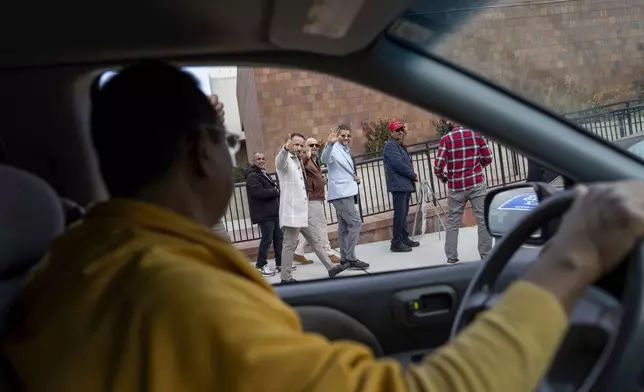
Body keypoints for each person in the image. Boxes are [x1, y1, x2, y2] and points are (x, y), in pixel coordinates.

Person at [7, 61, 644, 392]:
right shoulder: (170, 295)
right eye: (227, 142)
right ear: (201, 151)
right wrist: (575, 252)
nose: (232, 154)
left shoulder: (88, 262)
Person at [275, 133, 346, 283]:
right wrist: (284, 149)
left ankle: (331, 268)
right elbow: (279, 163)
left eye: (302, 145)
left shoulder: (298, 161)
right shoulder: (285, 159)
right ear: (290, 144)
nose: (299, 147)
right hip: (293, 211)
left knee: (315, 241)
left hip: (303, 210)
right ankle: (285, 278)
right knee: (289, 244)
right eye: (296, 144)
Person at [434, 124, 494, 264]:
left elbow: (438, 166)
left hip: (456, 186)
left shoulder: (446, 139)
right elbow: (488, 157)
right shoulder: (477, 134)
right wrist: (479, 166)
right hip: (476, 183)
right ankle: (486, 254)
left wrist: (443, 177)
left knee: (453, 221)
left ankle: (451, 255)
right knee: (483, 219)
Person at [321, 124, 370, 270]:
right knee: (355, 223)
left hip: (347, 191)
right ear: (337, 136)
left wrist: (354, 178)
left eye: (348, 135)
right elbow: (324, 159)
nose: (346, 138)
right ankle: (351, 257)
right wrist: (329, 143)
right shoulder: (333, 148)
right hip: (341, 194)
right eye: (343, 135)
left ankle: (344, 259)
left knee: (343, 228)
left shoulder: (344, 150)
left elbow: (342, 170)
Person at [294, 137, 341, 264]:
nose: (314, 147)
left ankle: (298, 252)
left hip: (317, 197)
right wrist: (306, 156)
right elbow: (300, 166)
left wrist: (321, 180)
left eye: (316, 145)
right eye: (311, 145)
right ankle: (328, 253)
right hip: (312, 198)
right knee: (321, 226)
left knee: (310, 228)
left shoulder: (315, 161)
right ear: (305, 147)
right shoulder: (304, 159)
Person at [383, 120, 421, 252]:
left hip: (404, 184)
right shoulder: (391, 146)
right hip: (398, 185)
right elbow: (398, 164)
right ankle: (396, 242)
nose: (400, 132)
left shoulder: (398, 145)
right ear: (391, 132)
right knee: (399, 214)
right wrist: (413, 175)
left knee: (403, 213)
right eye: (397, 130)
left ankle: (404, 238)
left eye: (401, 130)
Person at [245, 151, 283, 277]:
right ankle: (260, 265)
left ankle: (280, 263)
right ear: (253, 161)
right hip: (264, 214)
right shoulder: (252, 176)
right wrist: (275, 191)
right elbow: (259, 193)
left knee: (278, 237)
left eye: (263, 158)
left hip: (273, 212)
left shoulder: (263, 173)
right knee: (267, 239)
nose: (261, 161)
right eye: (258, 159)